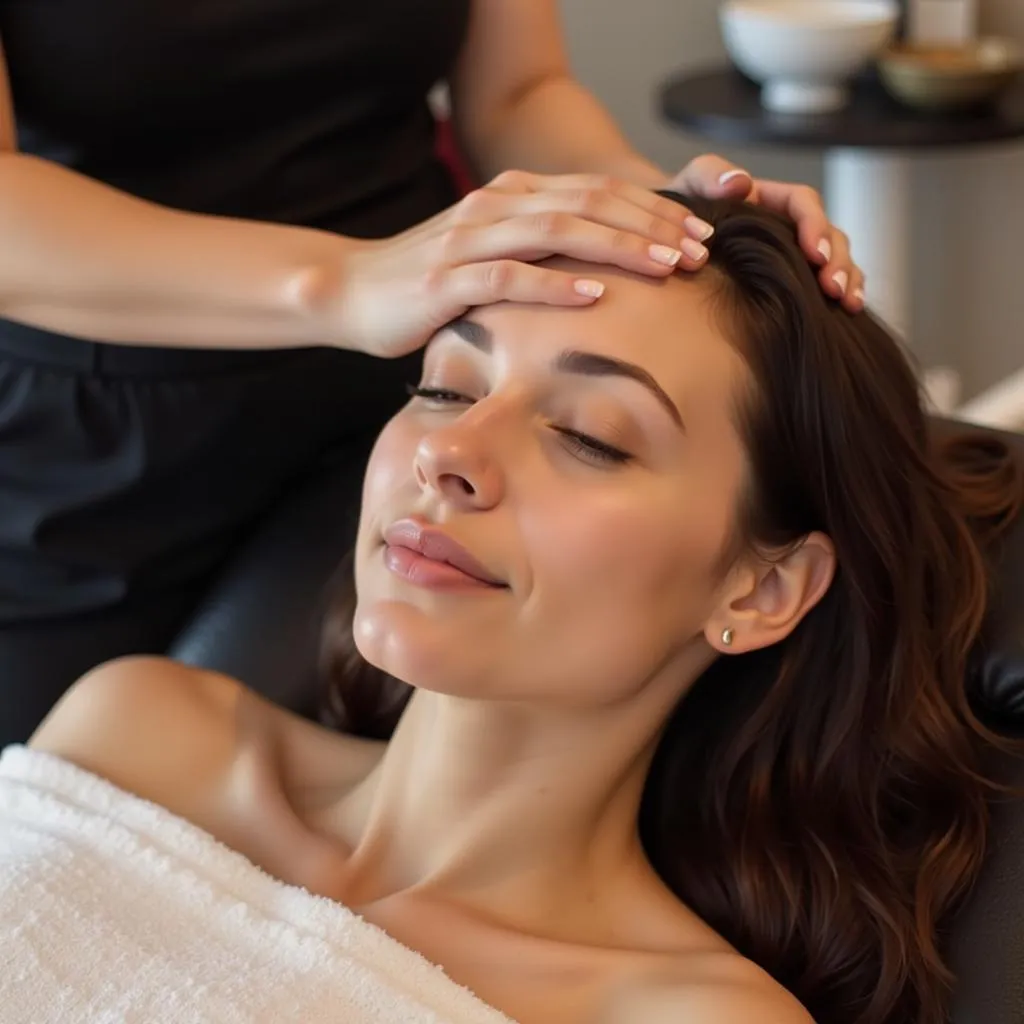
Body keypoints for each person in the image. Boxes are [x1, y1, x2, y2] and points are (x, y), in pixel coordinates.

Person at [6, 195, 1020, 1024]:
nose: (449, 452)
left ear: (760, 588)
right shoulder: (136, 731)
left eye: (589, 435)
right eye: (446, 387)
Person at [0, 0, 866, 746]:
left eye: (592, 436)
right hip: (93, 426)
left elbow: (518, 94)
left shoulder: (452, 437)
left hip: (414, 376)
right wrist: (344, 282)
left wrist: (656, 211)